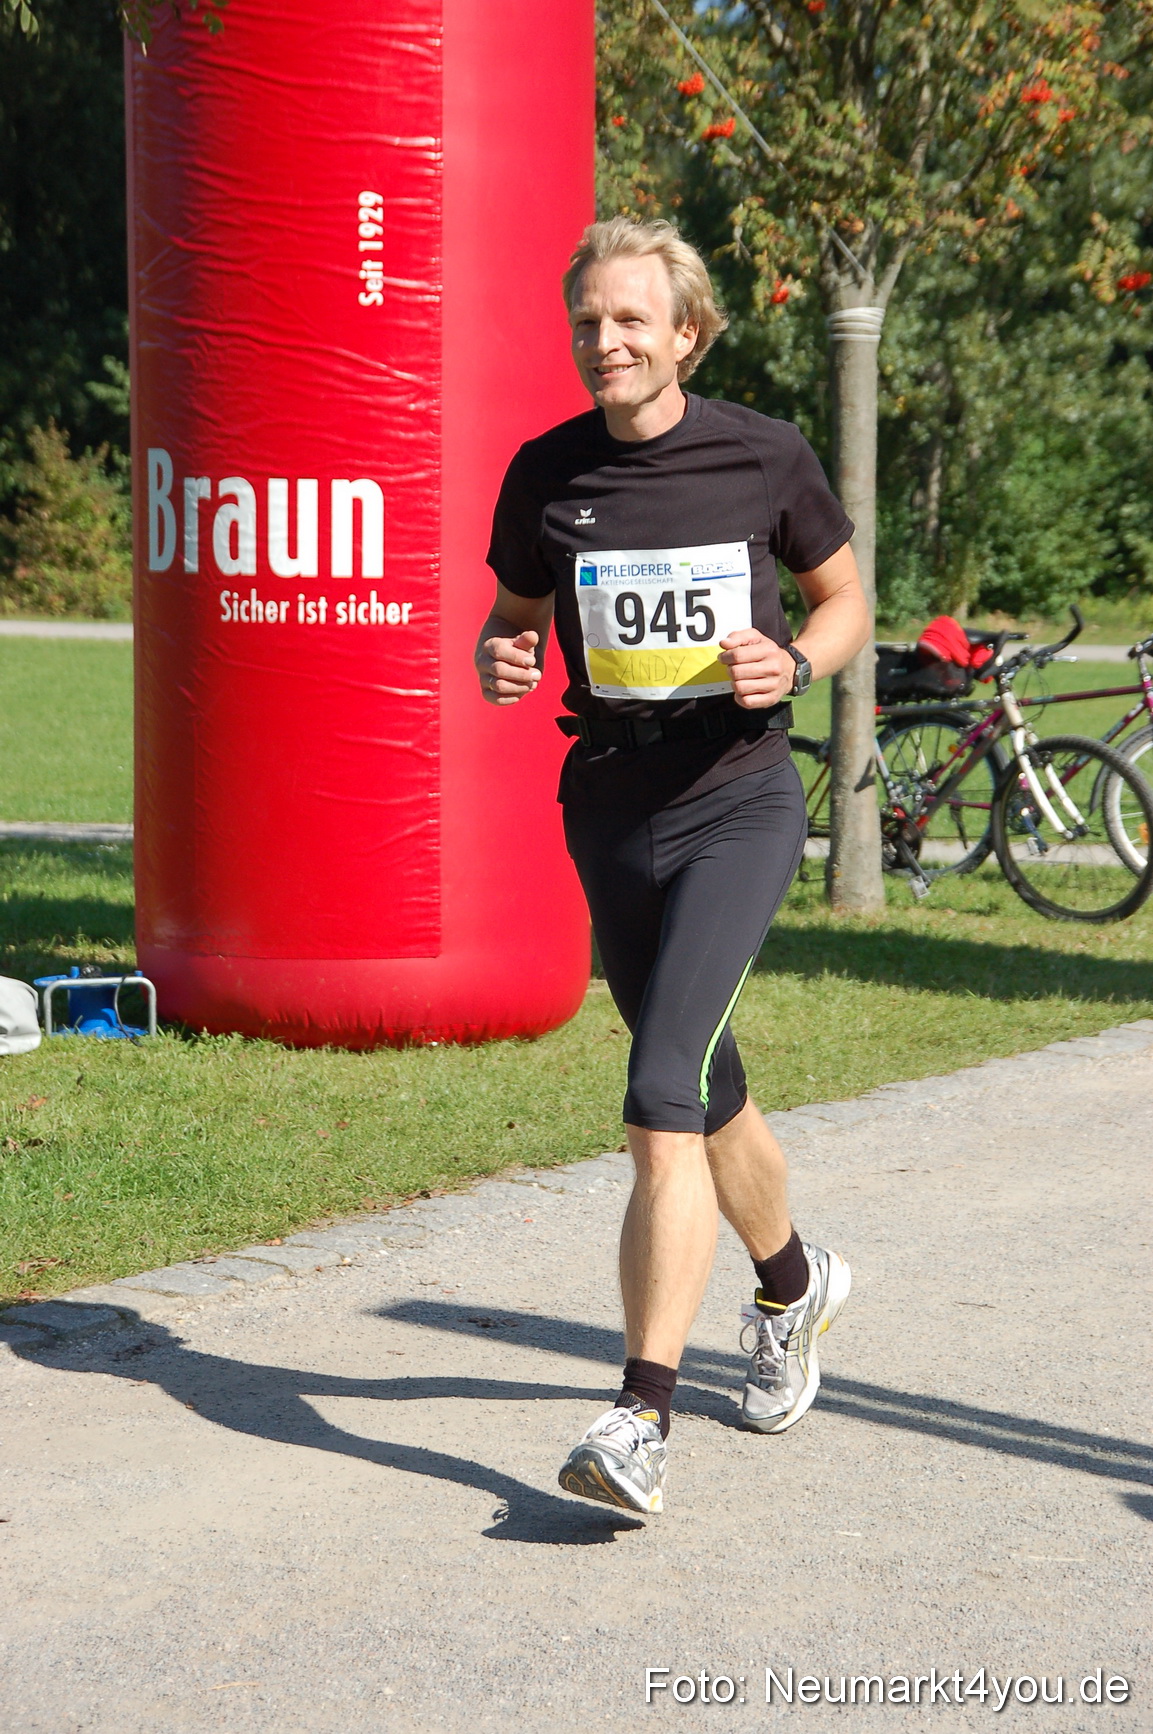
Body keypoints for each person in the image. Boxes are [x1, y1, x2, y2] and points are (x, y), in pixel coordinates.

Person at [474, 217, 870, 1514]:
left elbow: (842, 600)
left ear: (684, 331)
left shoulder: (762, 452)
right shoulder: (545, 472)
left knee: (656, 1092)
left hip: (738, 794)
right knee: (705, 1084)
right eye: (590, 319)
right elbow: (514, 618)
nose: (606, 340)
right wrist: (502, 655)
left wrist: (797, 661)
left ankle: (638, 1414)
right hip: (608, 801)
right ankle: (793, 1282)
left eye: (631, 318)